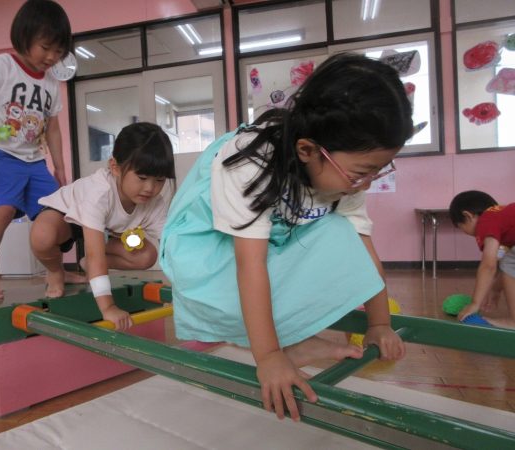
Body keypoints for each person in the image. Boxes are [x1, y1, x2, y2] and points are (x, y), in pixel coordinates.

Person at [160, 53, 411, 421]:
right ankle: (286, 344)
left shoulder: (346, 176)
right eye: (362, 171)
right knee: (243, 290)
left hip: (270, 242)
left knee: (340, 231)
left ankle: (295, 341)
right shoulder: (250, 162)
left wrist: (379, 324)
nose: (368, 182)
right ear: (307, 150)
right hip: (205, 250)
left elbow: (363, 251)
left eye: (378, 170)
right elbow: (250, 266)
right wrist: (268, 357)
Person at [0, 0, 71, 300]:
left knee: (57, 215)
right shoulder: (0, 67)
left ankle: (56, 270)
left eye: (58, 51)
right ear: (24, 36)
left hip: (35, 160)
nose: (51, 57)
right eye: (45, 47)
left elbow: (52, 127)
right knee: (2, 210)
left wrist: (59, 166)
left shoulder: (51, 83)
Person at [31, 122, 175, 330]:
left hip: (106, 232)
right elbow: (94, 253)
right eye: (142, 178)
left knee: (146, 255)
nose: (150, 188)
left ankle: (87, 265)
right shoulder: (99, 192)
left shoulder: (155, 203)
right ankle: (55, 271)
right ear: (115, 167)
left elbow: (171, 245)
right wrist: (108, 307)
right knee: (42, 235)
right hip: (66, 218)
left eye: (159, 180)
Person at [449, 190, 514, 328]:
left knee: (509, 261)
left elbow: (488, 266)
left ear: (468, 216)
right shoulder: (503, 219)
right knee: (509, 261)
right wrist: (496, 289)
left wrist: (475, 303)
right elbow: (509, 272)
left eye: (461, 227)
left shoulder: (486, 220)